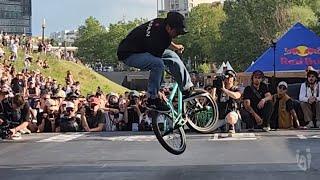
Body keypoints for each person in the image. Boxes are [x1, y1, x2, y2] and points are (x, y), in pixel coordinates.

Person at [117, 11, 193, 111]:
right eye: (177, 32)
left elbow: (167, 40)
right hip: (129, 54)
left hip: (142, 49)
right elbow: (158, 64)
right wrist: (158, 87)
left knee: (172, 55)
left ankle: (186, 88)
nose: (178, 35)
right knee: (158, 64)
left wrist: (175, 47)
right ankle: (152, 99)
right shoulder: (156, 40)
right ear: (169, 27)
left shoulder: (161, 22)